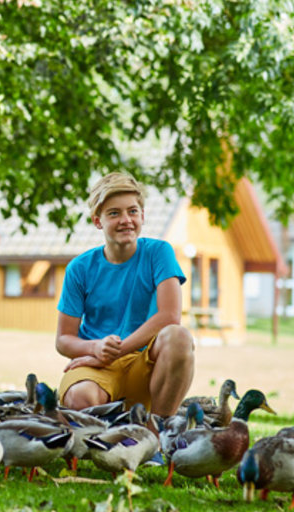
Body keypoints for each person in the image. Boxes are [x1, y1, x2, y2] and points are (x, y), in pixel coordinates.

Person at [55, 171, 195, 417]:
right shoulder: (79, 268)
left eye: (132, 211)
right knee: (80, 397)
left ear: (142, 216)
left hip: (145, 365)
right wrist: (96, 348)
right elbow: (64, 340)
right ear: (98, 221)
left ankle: (157, 432)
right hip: (97, 367)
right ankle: (114, 429)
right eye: (114, 213)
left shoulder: (159, 253)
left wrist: (116, 351)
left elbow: (170, 316)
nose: (126, 220)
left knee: (179, 338)